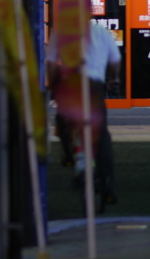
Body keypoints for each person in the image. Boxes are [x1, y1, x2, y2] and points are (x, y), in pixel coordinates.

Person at [48, 22, 122, 204]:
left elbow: (50, 62)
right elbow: (115, 60)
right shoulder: (102, 32)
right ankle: (109, 187)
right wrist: (114, 77)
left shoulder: (61, 31)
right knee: (102, 135)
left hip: (71, 86)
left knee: (63, 120)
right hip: (94, 87)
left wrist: (54, 86)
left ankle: (70, 157)